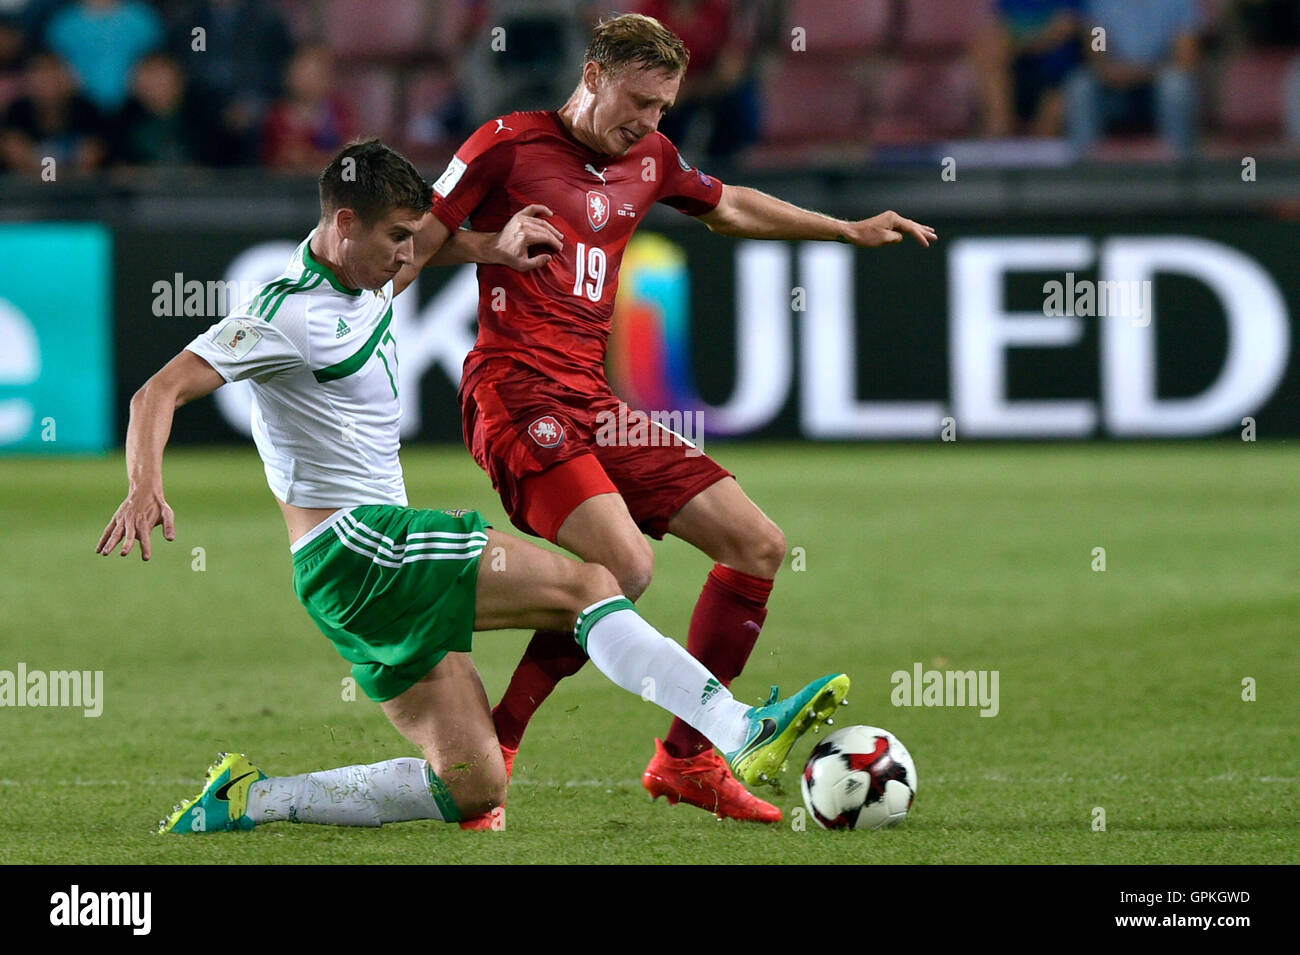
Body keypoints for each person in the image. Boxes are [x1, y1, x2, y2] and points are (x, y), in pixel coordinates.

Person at [96, 138, 848, 833]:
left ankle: (250, 798)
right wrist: (144, 486)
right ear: (346, 224)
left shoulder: (364, 273)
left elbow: (427, 247)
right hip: (357, 544)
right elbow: (155, 393)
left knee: (472, 784)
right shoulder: (286, 313)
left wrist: (490, 245)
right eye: (397, 238)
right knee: (593, 582)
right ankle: (738, 728)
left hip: (344, 583)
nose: (407, 256)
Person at [428, 12, 934, 826]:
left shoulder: (651, 157)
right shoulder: (504, 145)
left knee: (757, 543)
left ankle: (687, 760)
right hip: (514, 392)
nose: (650, 122)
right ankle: (498, 745)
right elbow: (409, 243)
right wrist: (488, 243)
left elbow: (728, 205)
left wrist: (844, 228)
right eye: (638, 100)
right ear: (592, 75)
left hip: (593, 401)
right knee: (623, 569)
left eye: (664, 106)